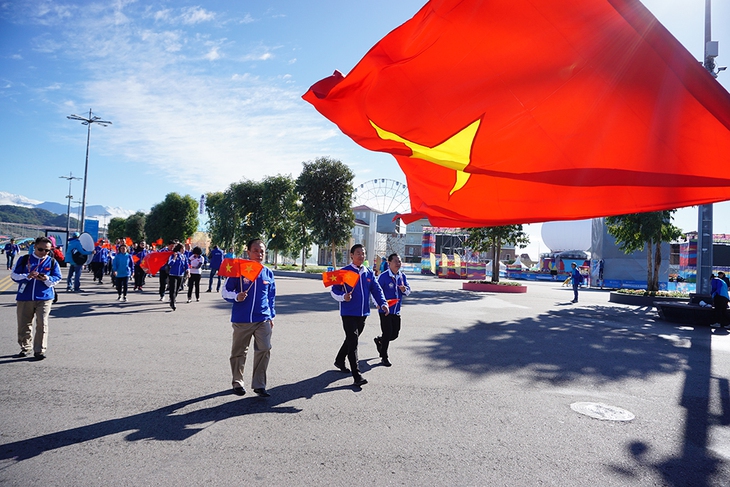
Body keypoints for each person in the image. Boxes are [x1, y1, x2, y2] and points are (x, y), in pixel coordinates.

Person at [222, 238, 275, 397]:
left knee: (264, 349)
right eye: (256, 251)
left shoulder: (268, 273)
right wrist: (236, 296)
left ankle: (259, 384)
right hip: (242, 319)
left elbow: (271, 297)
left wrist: (271, 316)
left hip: (262, 319)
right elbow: (225, 292)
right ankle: (237, 381)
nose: (259, 254)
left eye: (262, 251)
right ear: (248, 252)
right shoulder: (238, 270)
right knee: (239, 352)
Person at [330, 244, 389, 387]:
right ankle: (357, 375)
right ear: (351, 255)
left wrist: (383, 303)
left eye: (363, 253)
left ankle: (339, 360)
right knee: (353, 342)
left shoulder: (368, 273)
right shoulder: (344, 272)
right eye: (358, 253)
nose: (361, 256)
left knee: (351, 339)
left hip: (363, 314)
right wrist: (344, 296)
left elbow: (376, 290)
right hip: (348, 313)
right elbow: (333, 291)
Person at [11, 236, 63, 360]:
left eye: (47, 250)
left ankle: (40, 350)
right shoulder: (24, 259)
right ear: (35, 247)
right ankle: (25, 347)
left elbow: (58, 277)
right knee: (24, 324)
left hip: (44, 297)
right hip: (25, 297)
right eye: (41, 249)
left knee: (42, 323)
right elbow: (14, 275)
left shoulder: (52, 261)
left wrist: (47, 279)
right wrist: (27, 276)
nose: (44, 252)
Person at [375, 253, 411, 367]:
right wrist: (378, 304)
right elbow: (376, 291)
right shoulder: (383, 276)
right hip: (385, 310)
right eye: (395, 261)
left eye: (399, 261)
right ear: (389, 263)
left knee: (394, 334)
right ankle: (384, 357)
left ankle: (379, 340)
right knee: (387, 332)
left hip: (396, 311)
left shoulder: (402, 276)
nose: (398, 263)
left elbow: (408, 291)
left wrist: (404, 289)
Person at [167, 243, 189, 311]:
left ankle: (172, 299)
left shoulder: (184, 256)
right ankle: (173, 302)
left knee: (177, 289)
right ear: (180, 249)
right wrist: (174, 258)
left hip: (180, 275)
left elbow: (186, 264)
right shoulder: (174, 254)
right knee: (173, 289)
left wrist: (188, 271)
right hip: (173, 274)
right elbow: (170, 263)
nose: (184, 250)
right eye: (183, 249)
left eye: (184, 249)